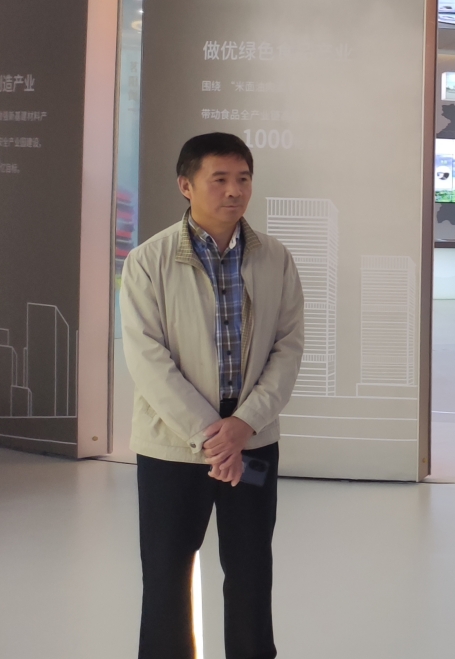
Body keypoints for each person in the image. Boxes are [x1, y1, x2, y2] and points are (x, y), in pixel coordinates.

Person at [122, 132, 305, 659]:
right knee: (166, 573)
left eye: (243, 179)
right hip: (172, 448)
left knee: (251, 569)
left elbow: (288, 348)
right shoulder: (148, 260)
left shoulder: (276, 258)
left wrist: (243, 426)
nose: (234, 191)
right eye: (219, 179)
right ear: (186, 185)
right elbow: (147, 359)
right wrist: (212, 437)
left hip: (253, 443)